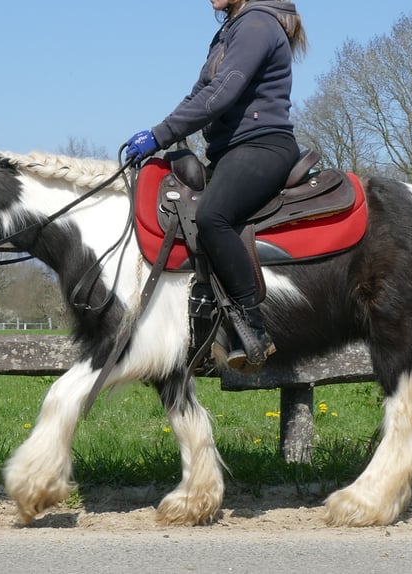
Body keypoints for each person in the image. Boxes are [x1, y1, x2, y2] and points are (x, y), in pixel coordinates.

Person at [125, 0, 307, 370]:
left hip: (263, 146)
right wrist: (160, 135)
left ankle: (252, 326)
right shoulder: (228, 31)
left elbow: (221, 94)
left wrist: (160, 135)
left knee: (212, 216)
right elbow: (198, 95)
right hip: (230, 151)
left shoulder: (256, 24)